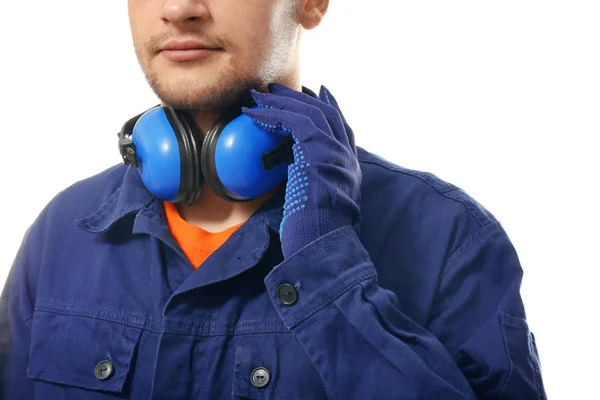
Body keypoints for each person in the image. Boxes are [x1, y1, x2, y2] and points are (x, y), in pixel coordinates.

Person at [0, 0, 547, 398]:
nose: (178, 8)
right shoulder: (62, 233)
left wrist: (326, 271)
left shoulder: (449, 237)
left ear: (310, 3)